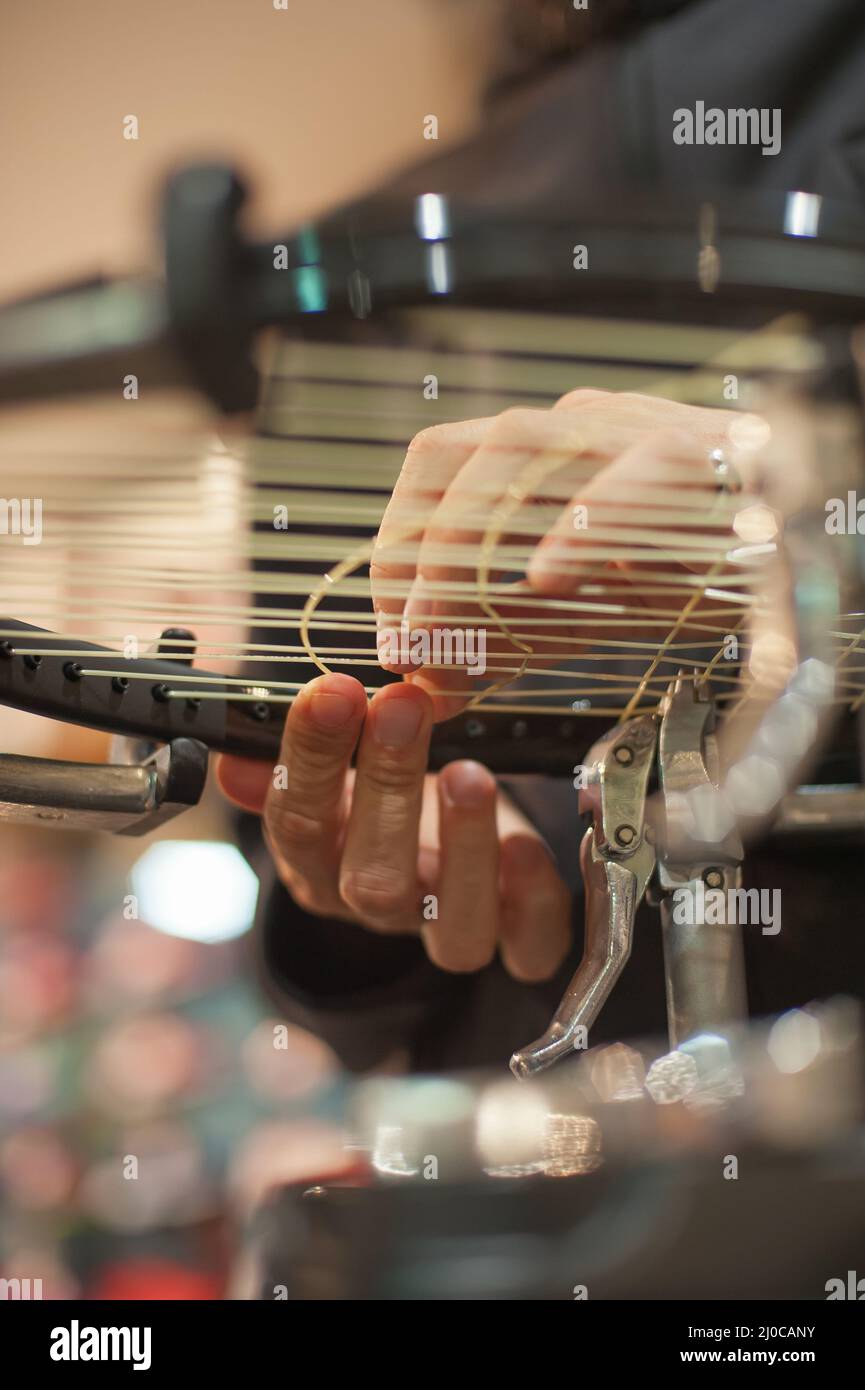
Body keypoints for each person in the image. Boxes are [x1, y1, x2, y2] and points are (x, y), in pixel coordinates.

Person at [217, 0, 865, 1072]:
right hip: (628, 1164)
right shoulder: (358, 295)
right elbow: (303, 816)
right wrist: (371, 880)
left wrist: (806, 493)